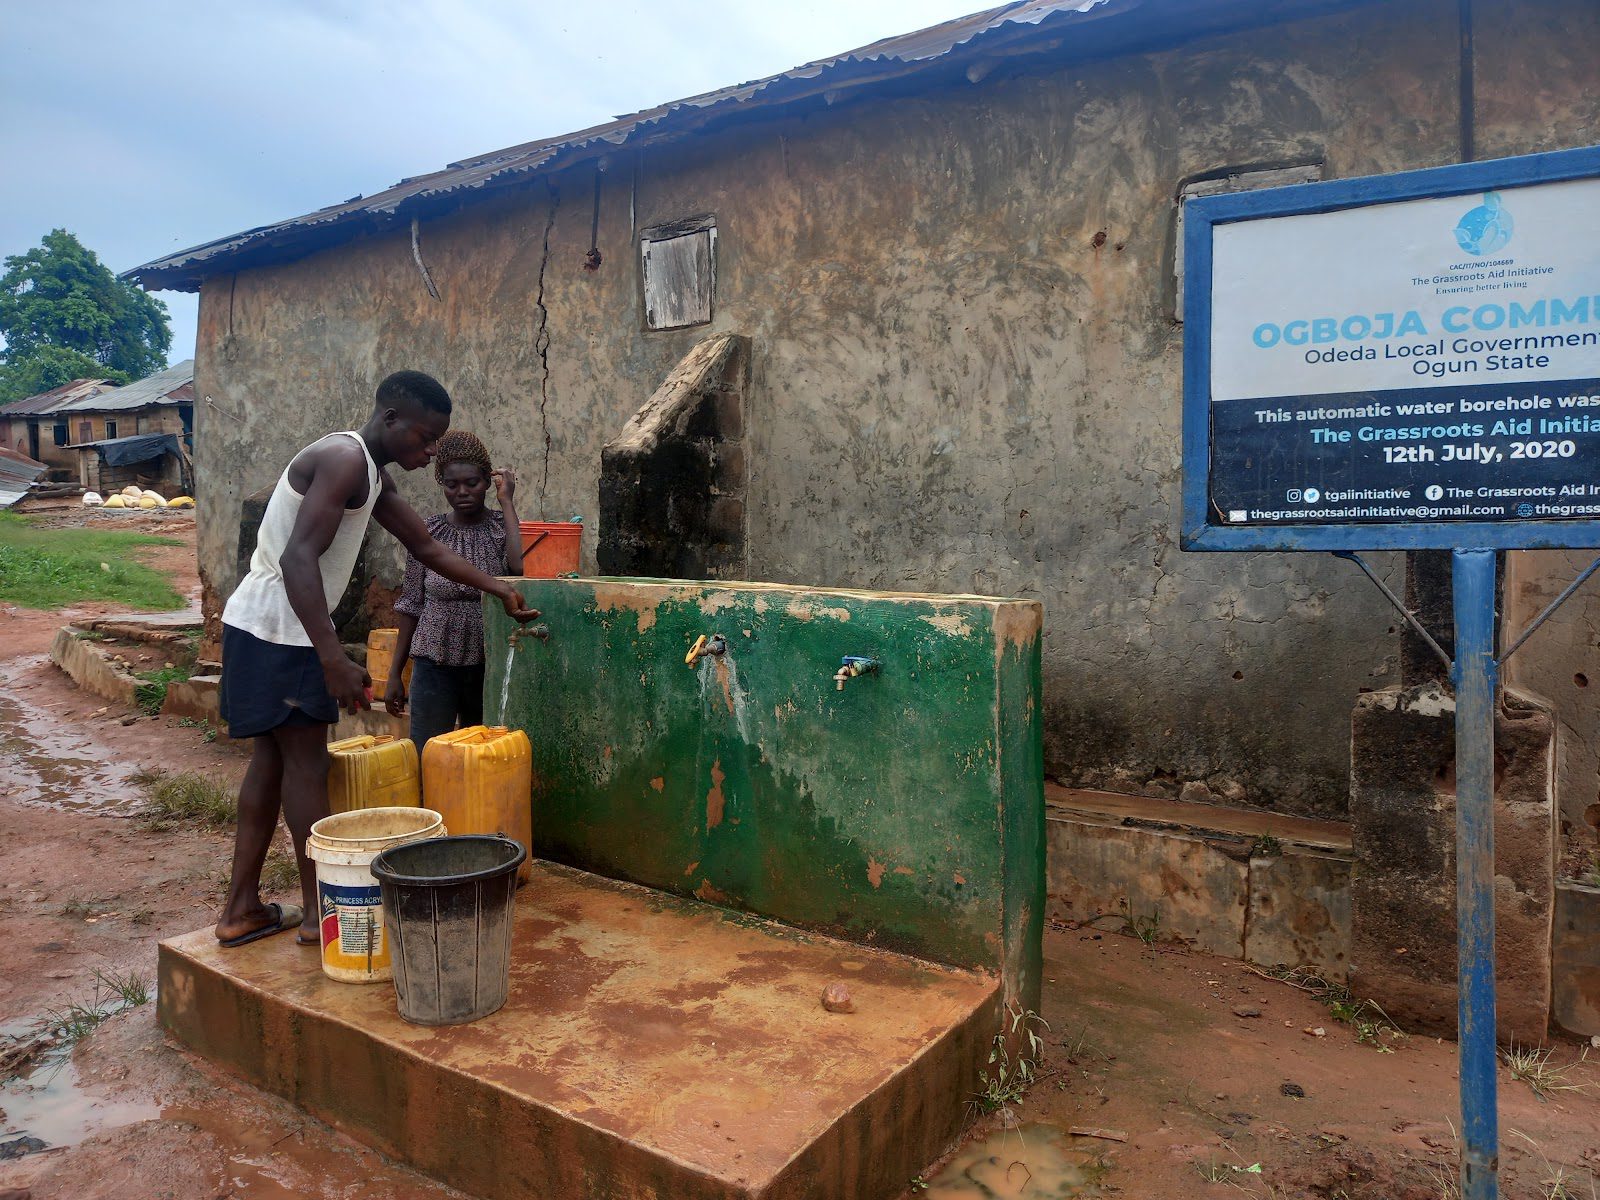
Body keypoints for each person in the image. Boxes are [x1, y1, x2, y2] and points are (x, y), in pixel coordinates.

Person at [214, 370, 538, 947]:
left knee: (271, 763)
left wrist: (499, 588)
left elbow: (428, 546)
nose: (433, 448)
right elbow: (297, 560)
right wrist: (332, 656)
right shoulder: (344, 459)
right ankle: (321, 914)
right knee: (306, 767)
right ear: (391, 420)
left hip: (263, 628)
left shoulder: (371, 473)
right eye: (426, 436)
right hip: (280, 630)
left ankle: (242, 909)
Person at [383, 431, 522, 751]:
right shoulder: (428, 532)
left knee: (481, 754)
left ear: (488, 481)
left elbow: (517, 568)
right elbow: (410, 604)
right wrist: (394, 674)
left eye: (472, 483)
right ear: (441, 484)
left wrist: (508, 502)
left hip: (487, 664)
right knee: (428, 751)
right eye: (452, 485)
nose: (462, 492)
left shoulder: (503, 527)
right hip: (434, 664)